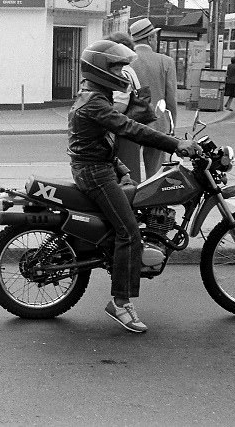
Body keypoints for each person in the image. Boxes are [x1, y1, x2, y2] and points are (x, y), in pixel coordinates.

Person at [68, 39, 202, 333]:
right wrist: (176, 143)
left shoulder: (95, 96)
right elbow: (130, 128)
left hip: (97, 168)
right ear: (101, 68)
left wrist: (122, 168)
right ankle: (120, 303)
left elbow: (98, 140)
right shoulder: (95, 101)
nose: (123, 71)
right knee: (128, 232)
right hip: (94, 174)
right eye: (116, 66)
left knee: (136, 210)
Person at [129, 18, 178, 179]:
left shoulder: (126, 61)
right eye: (155, 37)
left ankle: (132, 202)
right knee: (155, 174)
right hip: (157, 124)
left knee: (130, 172)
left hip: (130, 125)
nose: (156, 40)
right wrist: (171, 128)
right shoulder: (166, 62)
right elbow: (171, 100)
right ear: (150, 38)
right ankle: (153, 203)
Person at [105, 31, 143, 180]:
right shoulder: (128, 70)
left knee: (125, 179)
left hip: (121, 133)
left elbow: (120, 105)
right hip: (127, 131)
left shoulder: (123, 73)